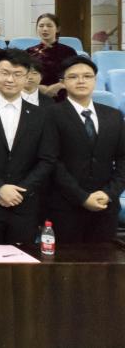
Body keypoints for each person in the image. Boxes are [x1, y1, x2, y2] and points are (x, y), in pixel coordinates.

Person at [0, 48, 55, 244]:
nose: (10, 79)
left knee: (23, 260)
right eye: (5, 73)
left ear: (26, 77)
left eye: (17, 74)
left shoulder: (42, 115)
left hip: (25, 203)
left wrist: (20, 191)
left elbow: (47, 159)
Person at [46, 56, 125, 243]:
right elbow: (51, 161)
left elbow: (123, 159)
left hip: (105, 206)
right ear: (63, 82)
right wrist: (82, 197)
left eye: (87, 76)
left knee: (104, 258)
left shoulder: (113, 115)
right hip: (65, 206)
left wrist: (109, 193)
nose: (81, 81)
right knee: (67, 260)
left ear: (95, 80)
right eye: (73, 77)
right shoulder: (50, 114)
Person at [27, 13, 78, 102]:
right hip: (34, 95)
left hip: (62, 95)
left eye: (49, 26)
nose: (45, 29)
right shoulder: (29, 52)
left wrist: (58, 86)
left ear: (57, 29)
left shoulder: (69, 52)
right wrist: (38, 87)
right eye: (41, 26)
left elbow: (75, 75)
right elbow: (23, 76)